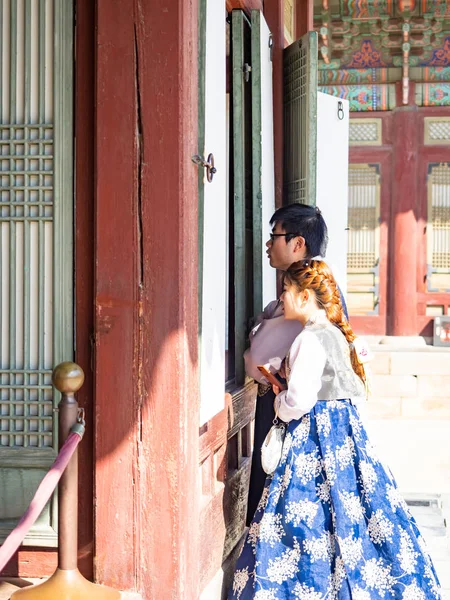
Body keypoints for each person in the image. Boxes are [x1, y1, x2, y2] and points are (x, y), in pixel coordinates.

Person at [230, 260, 442, 600]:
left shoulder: (308, 339)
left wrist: (280, 402)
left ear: (303, 297)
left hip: (314, 434)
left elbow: (300, 398)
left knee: (301, 506)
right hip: (345, 434)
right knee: (354, 507)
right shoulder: (336, 335)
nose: (282, 300)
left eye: (286, 292)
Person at [245, 203, 348, 526]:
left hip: (295, 413)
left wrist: (259, 326)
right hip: (317, 414)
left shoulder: (304, 293)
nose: (267, 244)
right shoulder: (320, 283)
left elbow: (258, 358)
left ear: (297, 243)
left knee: (290, 511)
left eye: (274, 236)